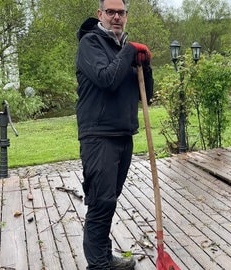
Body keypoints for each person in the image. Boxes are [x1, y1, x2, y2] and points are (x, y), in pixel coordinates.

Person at [75, 0, 153, 269]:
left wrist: (146, 65)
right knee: (101, 201)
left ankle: (104, 256)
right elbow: (106, 79)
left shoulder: (123, 49)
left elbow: (146, 96)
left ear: (126, 16)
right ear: (100, 14)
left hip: (123, 135)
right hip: (98, 135)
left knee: (109, 200)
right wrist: (130, 51)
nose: (116, 17)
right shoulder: (90, 44)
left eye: (121, 12)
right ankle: (98, 266)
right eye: (111, 12)